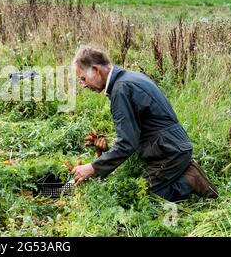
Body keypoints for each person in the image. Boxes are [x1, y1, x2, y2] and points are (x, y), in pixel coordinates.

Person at [71, 47, 218, 202]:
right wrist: (109, 147)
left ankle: (190, 179)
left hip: (168, 153)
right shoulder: (128, 78)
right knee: (139, 189)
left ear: (95, 70)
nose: (83, 85)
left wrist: (93, 167)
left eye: (82, 78)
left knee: (139, 197)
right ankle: (179, 172)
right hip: (172, 146)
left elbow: (128, 143)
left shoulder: (121, 90)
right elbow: (140, 129)